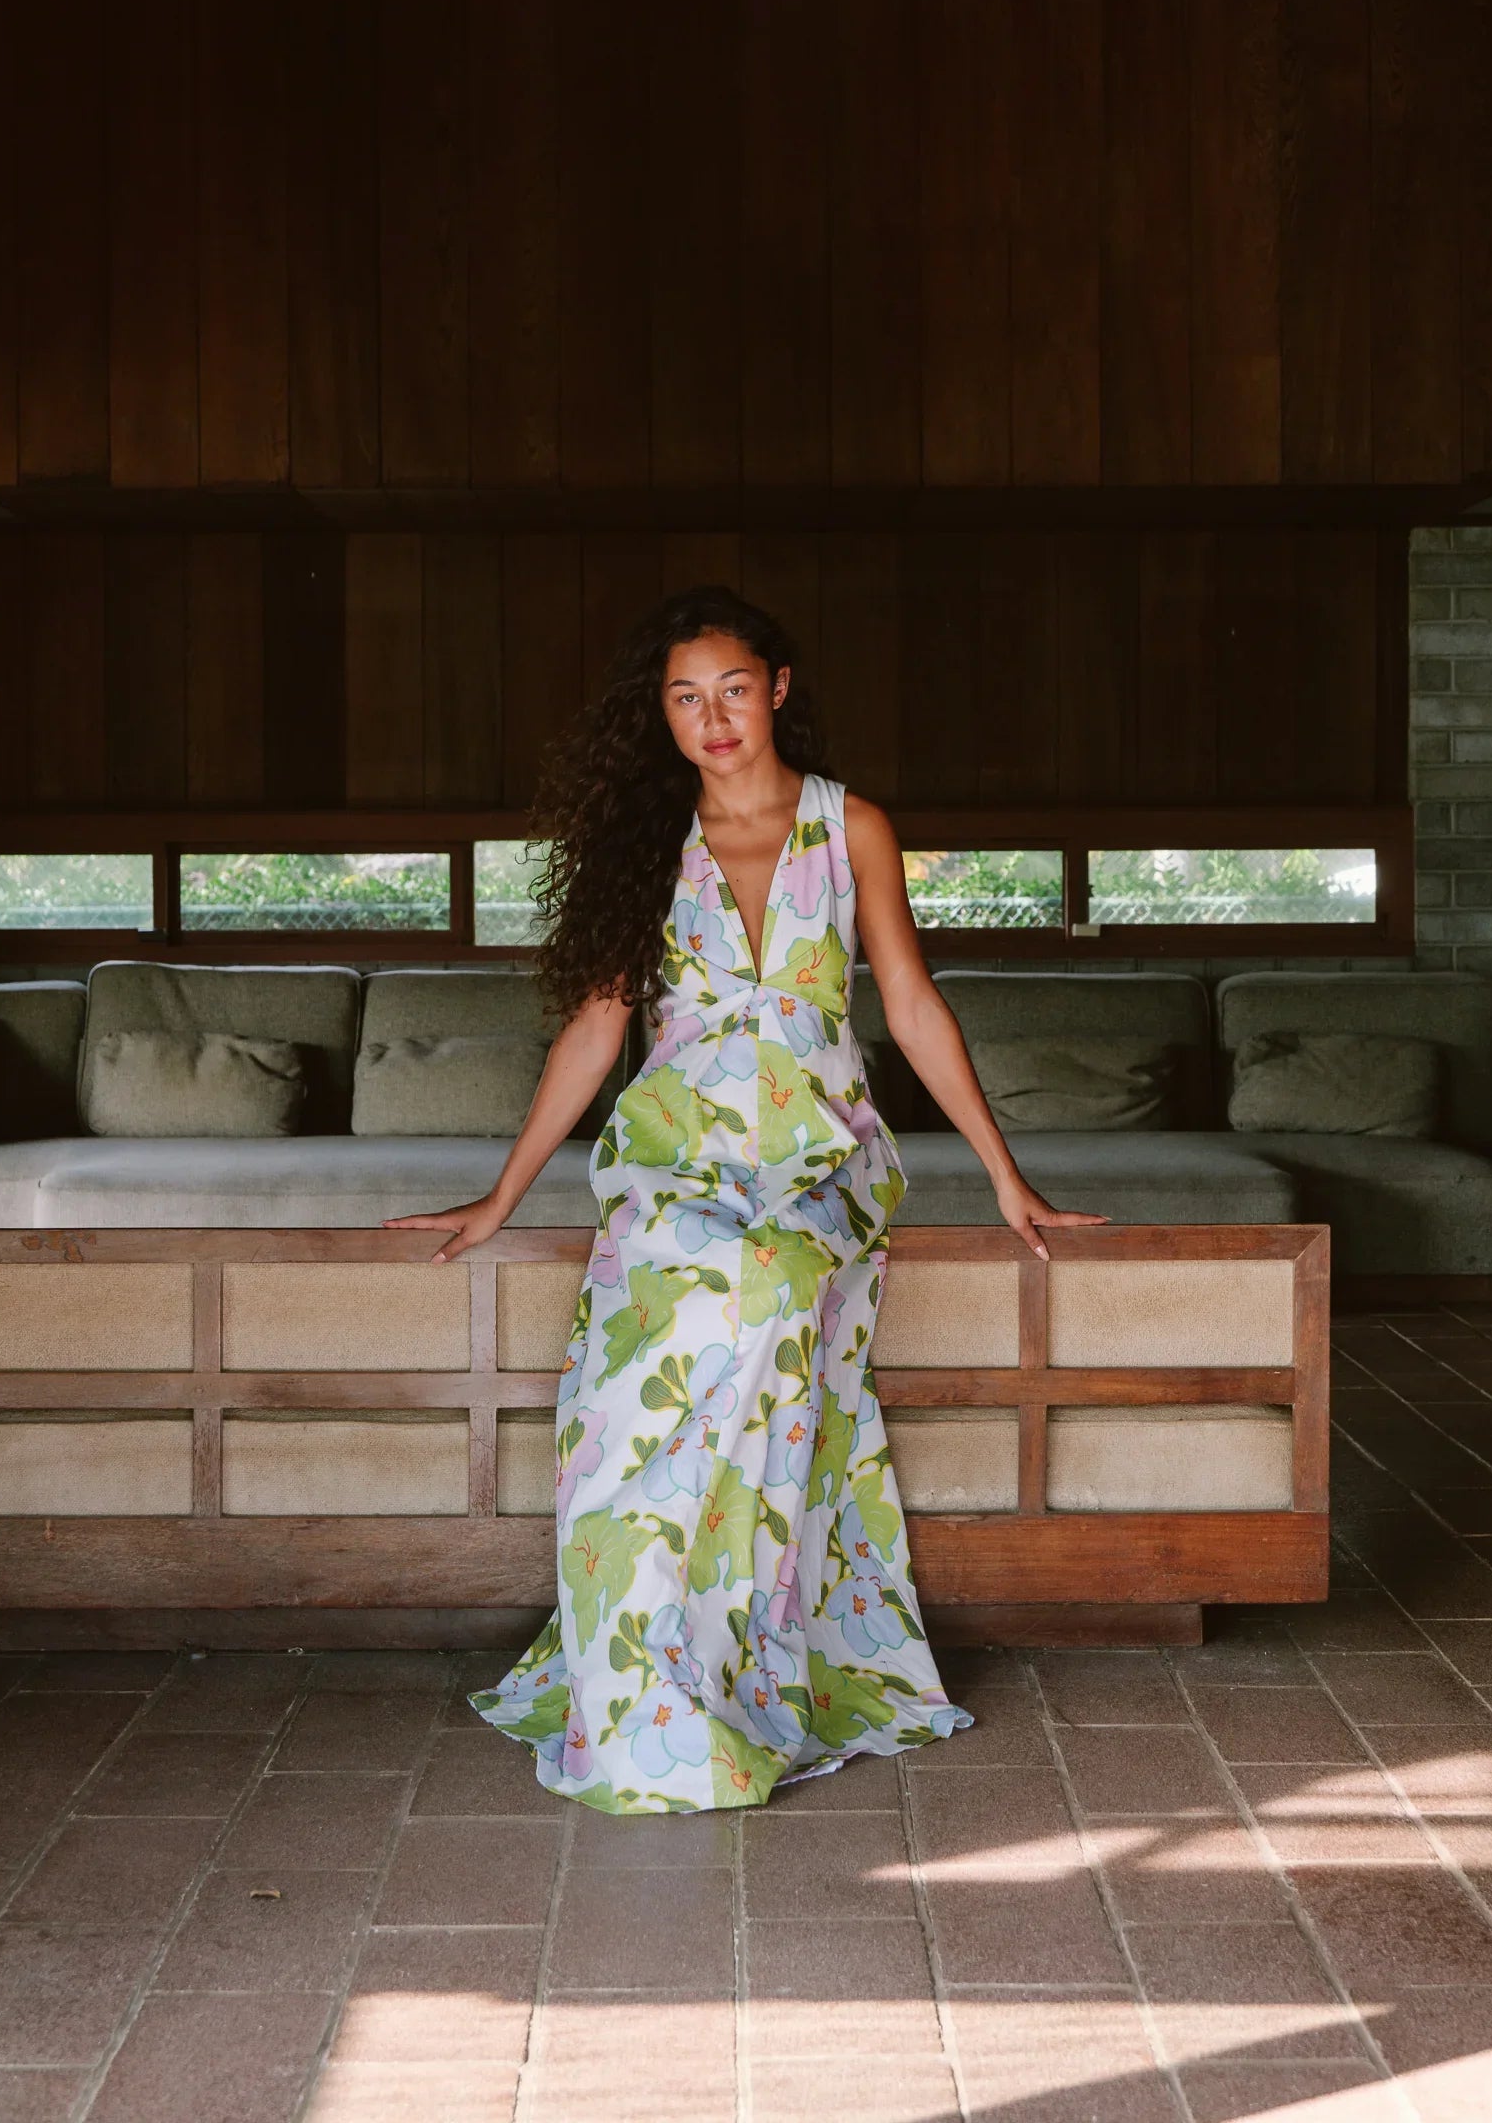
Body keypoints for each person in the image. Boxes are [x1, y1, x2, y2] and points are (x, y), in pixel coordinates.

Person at [387, 586, 1106, 1813]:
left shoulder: (854, 828)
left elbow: (914, 1008)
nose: (710, 718)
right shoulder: (645, 841)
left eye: (731, 689)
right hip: (677, 1153)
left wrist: (1004, 1175)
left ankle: (748, 1664)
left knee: (768, 1273)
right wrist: (504, 1194)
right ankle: (643, 1681)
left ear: (776, 687)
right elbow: (599, 1024)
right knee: (657, 1312)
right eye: (682, 697)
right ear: (658, 715)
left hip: (822, 1156)